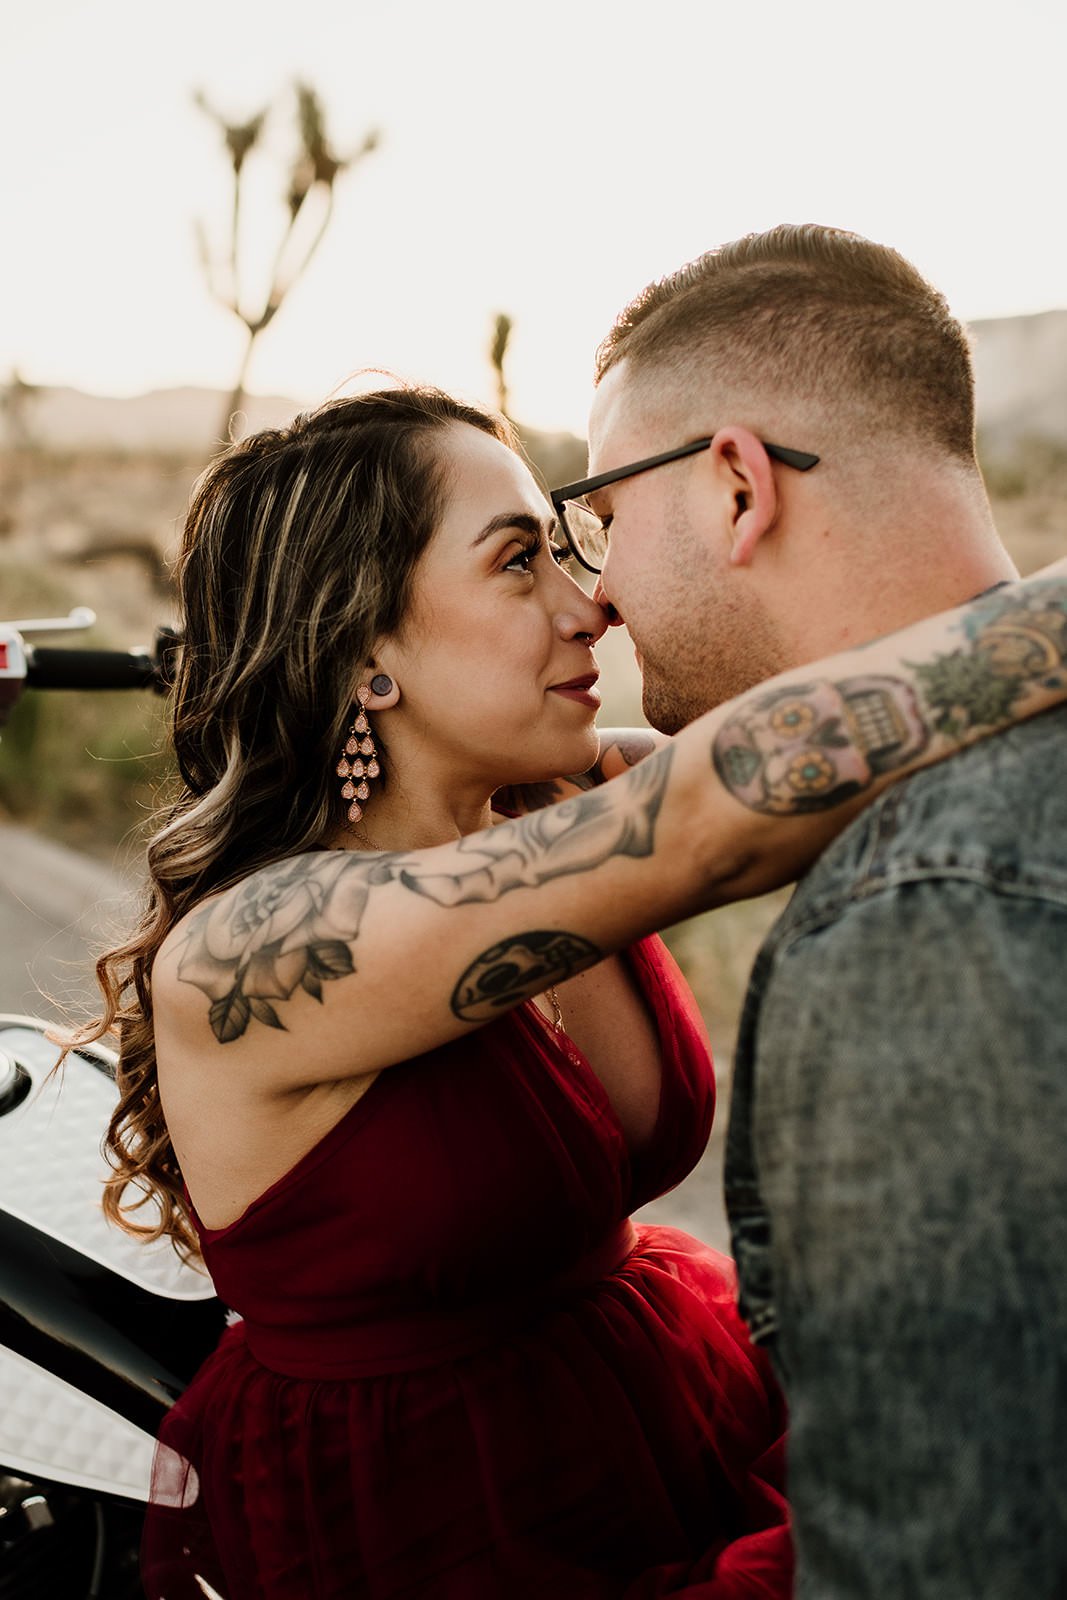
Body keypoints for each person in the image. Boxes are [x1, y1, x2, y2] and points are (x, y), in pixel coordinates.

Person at [87, 387, 1066, 1600]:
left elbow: (827, 751)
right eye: (517, 563)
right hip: (443, 1533)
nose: (589, 599)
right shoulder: (259, 945)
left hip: (657, 1407)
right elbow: (725, 806)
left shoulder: (546, 807)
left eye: (565, 550)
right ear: (367, 648)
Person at [571, 222, 1067, 1597]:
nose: (597, 595)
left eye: (600, 515)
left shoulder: (923, 919)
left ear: (735, 485)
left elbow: (951, 1564)